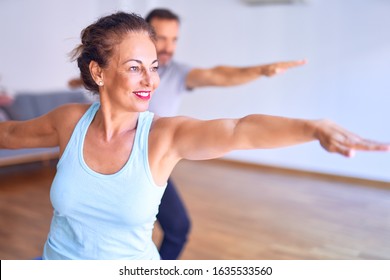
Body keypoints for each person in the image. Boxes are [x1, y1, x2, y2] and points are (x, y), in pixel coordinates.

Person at [3, 11, 388, 260]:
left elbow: (240, 130)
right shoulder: (69, 122)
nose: (150, 80)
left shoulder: (163, 137)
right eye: (135, 67)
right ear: (99, 73)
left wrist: (311, 127)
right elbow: (9, 133)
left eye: (152, 67)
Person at [67, 8, 308, 260]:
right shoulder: (113, 75)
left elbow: (219, 74)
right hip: (109, 155)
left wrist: (260, 70)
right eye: (161, 38)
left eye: (174, 40)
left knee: (178, 227)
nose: (168, 47)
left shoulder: (178, 74)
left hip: (148, 163)